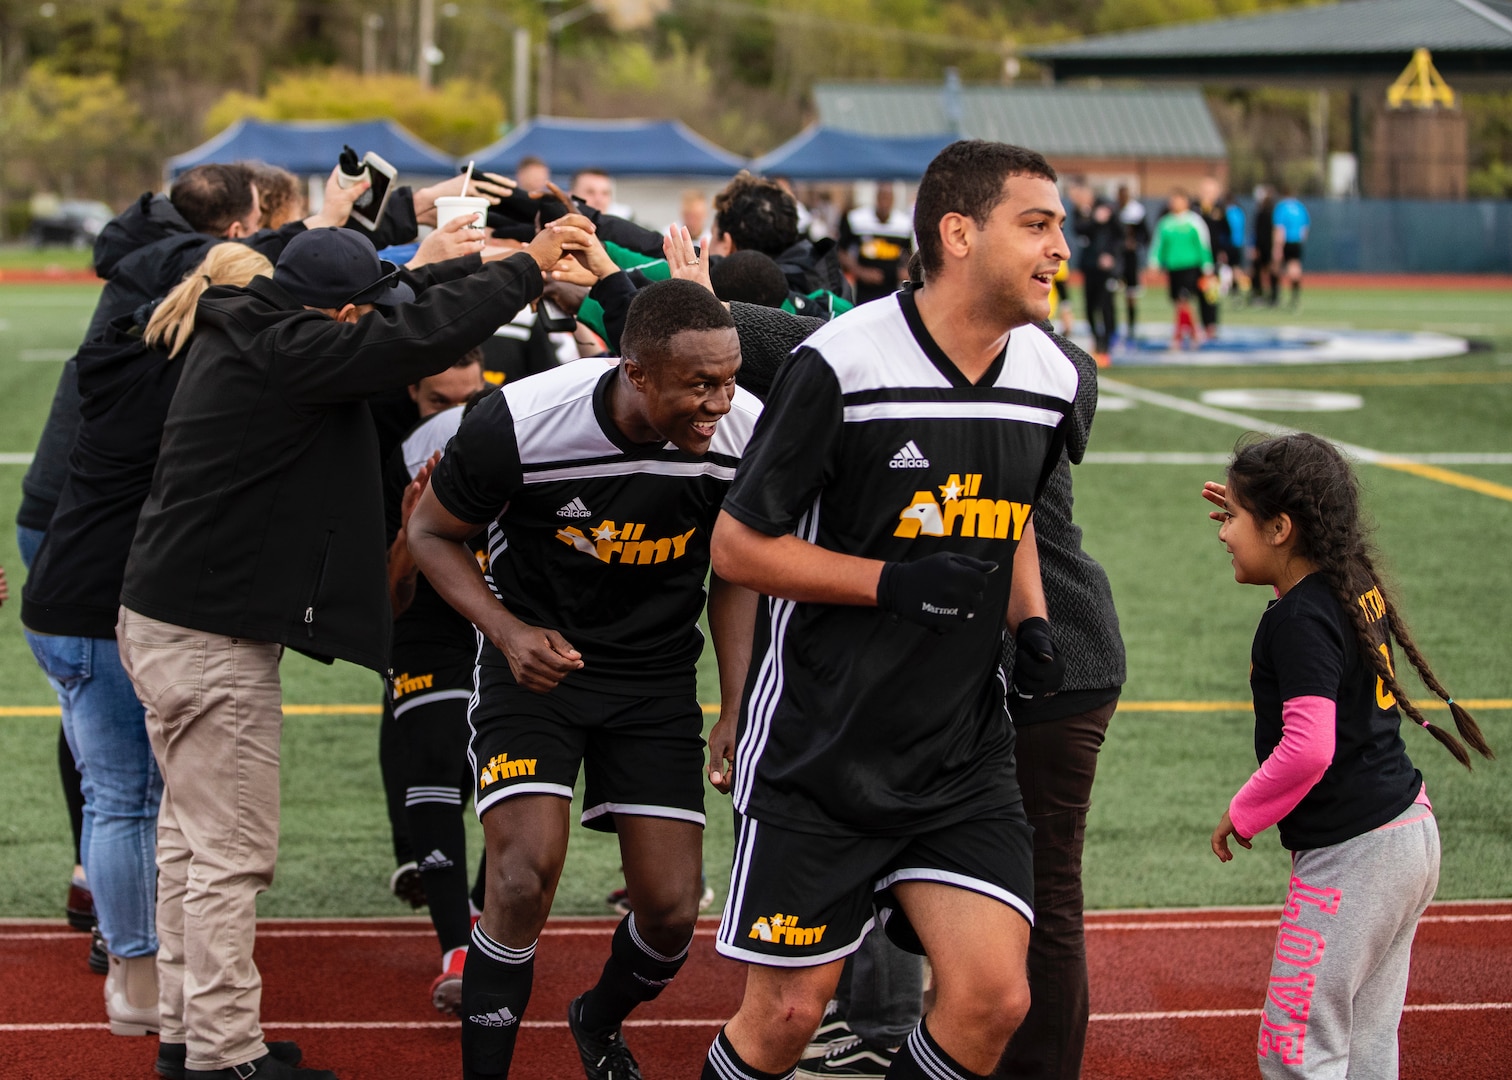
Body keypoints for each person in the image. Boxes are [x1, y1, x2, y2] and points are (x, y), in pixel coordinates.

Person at [116, 219, 592, 1080]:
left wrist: (442, 263)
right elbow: (418, 332)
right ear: (337, 311)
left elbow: (398, 310)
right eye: (359, 310)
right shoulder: (296, 350)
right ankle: (226, 1056)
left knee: (189, 846)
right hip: (209, 638)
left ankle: (191, 1038)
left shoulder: (250, 320)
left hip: (170, 620)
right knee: (228, 855)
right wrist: (526, 266)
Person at [702, 139, 1076, 1080]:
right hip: (821, 752)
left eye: (1059, 227)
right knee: (787, 1016)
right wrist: (888, 583)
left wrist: (1029, 624)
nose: (1059, 248)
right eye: (1037, 225)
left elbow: (1014, 513)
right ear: (958, 233)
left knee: (995, 999)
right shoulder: (842, 364)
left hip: (960, 754)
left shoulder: (1051, 378)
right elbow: (739, 547)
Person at [405, 275, 762, 1080]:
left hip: (655, 680)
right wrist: (505, 631)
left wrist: (734, 704)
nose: (720, 401)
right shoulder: (522, 423)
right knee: (523, 873)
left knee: (671, 911)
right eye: (699, 385)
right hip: (533, 671)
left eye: (731, 378)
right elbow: (431, 533)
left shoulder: (746, 433)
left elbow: (737, 570)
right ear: (636, 373)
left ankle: (596, 1019)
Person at [19, 244, 277, 1063]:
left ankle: (154, 985)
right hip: (99, 605)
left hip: (66, 596)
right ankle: (137, 980)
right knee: (128, 800)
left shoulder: (137, 352)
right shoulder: (196, 380)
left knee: (130, 799)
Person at [1202, 433, 1492, 1080]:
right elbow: (1297, 543)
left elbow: (1309, 747)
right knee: (1363, 1040)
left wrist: (1244, 810)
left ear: (1282, 528)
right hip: (1407, 833)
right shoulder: (1346, 576)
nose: (1223, 535)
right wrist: (1254, 516)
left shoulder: (1298, 620)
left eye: (1236, 521)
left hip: (1357, 854)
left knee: (1296, 1041)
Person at [992, 327, 1124, 1080]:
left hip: (1057, 659)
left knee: (1045, 893)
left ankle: (1039, 1070)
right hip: (1040, 660)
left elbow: (799, 341)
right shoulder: (1038, 354)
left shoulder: (1039, 361)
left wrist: (627, 286)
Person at [379, 351, 488, 1015]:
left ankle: (478, 915)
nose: (453, 415)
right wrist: (411, 529)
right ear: (410, 390)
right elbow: (390, 598)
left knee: (513, 772)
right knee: (434, 755)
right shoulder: (391, 450)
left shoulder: (510, 427)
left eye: (468, 396)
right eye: (436, 401)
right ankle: (457, 944)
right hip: (426, 622)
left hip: (505, 609)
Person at [1148, 191, 1213, 350]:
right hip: (1173, 268)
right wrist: (1154, 262)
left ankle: (1178, 336)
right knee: (1179, 302)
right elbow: (1158, 244)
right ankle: (1193, 333)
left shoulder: (1194, 221)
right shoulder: (1166, 222)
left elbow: (1203, 244)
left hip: (1190, 267)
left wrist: (1207, 265)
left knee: (1184, 301)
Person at [837, 181, 913, 305]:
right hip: (865, 287)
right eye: (882, 198)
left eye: (888, 198)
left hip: (892, 286)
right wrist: (860, 271)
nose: (884, 203)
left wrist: (905, 271)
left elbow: (909, 253)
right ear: (876, 198)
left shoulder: (902, 224)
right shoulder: (857, 220)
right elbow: (841, 251)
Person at [1068, 183, 1119, 362]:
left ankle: (1107, 344)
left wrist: (1111, 256)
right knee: (1090, 305)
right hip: (1089, 266)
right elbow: (1079, 229)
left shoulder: (1106, 206)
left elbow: (1117, 233)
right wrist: (1093, 219)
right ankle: (1096, 340)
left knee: (1106, 304)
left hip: (1106, 268)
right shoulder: (1080, 212)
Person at [1113, 185, 1148, 350]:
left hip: (1130, 259)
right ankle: (1112, 327)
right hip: (1116, 258)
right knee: (1111, 292)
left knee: (1131, 294)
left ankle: (1131, 327)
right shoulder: (1113, 210)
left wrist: (1135, 243)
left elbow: (1146, 234)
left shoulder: (1137, 211)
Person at [1195, 179, 1230, 336]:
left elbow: (1226, 232)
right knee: (1196, 292)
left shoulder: (1219, 210)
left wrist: (1223, 251)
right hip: (1195, 258)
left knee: (1211, 293)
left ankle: (1211, 325)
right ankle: (1198, 325)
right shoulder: (1194, 209)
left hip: (1212, 258)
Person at [1272, 186, 1310, 309]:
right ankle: (1295, 297)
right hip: (1297, 241)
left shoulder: (1281, 207)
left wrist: (1278, 247)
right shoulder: (1300, 207)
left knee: (1276, 267)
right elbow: (1305, 229)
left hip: (1285, 241)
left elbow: (1279, 228)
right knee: (1295, 267)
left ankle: (1275, 297)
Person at [1249, 186, 1276, 307]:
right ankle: (1273, 296)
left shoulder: (1264, 213)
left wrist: (1255, 247)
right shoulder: (1271, 213)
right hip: (1268, 246)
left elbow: (1258, 232)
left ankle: (1260, 295)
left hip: (1264, 246)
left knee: (1259, 270)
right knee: (1267, 270)